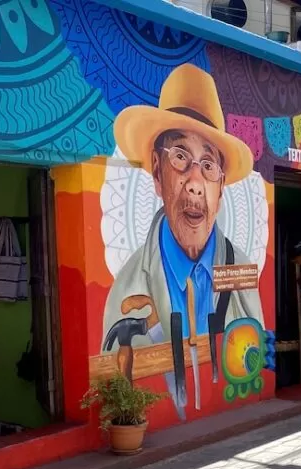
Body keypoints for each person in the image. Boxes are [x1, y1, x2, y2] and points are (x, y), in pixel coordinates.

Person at [102, 64, 266, 349]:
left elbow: (255, 355)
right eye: (179, 156)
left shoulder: (240, 271)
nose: (195, 182)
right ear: (157, 170)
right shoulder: (126, 291)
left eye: (208, 165)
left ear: (221, 187)